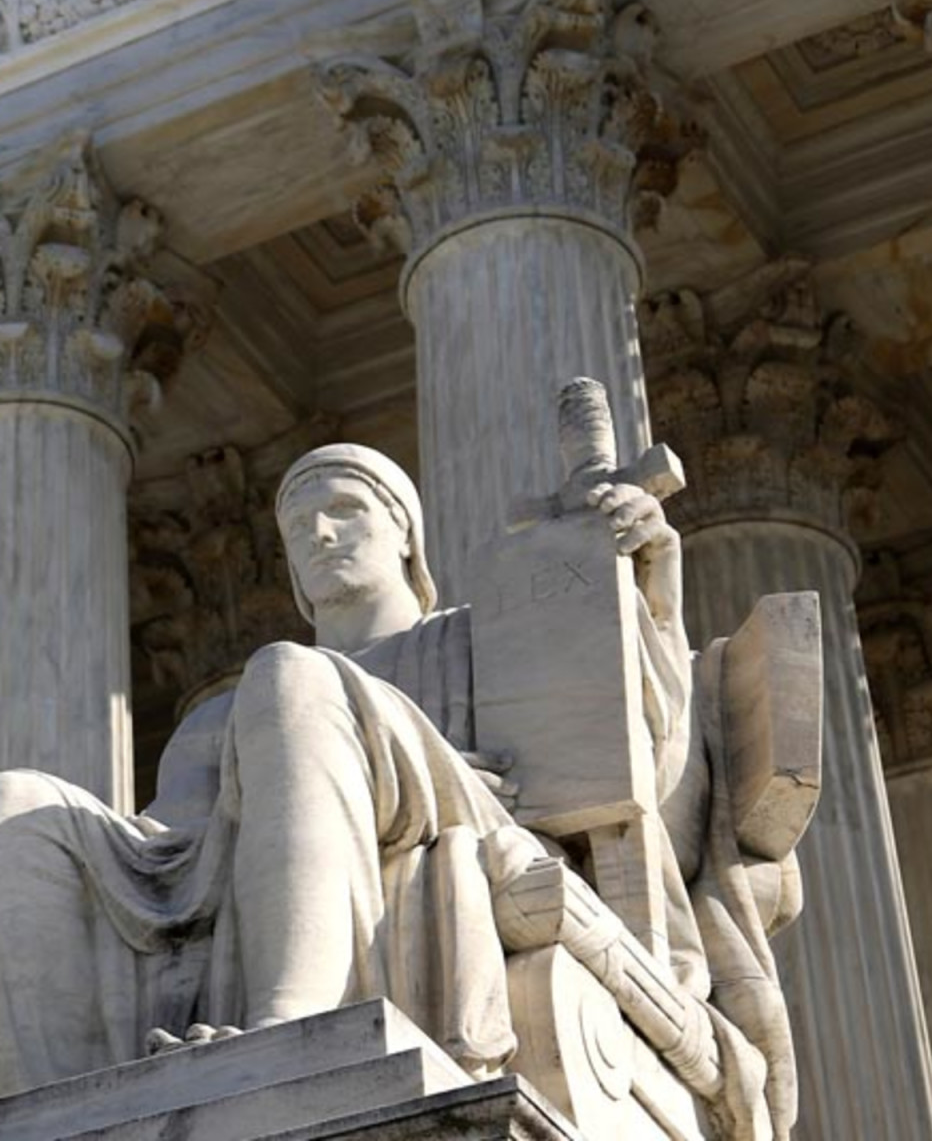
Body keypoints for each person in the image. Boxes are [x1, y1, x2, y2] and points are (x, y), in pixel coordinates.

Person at [0, 441, 802, 1135]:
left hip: (476, 820)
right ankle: (61, 1102)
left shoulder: (479, 642)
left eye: (345, 510)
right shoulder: (219, 716)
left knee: (290, 676)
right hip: (272, 835)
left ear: (406, 536)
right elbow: (171, 857)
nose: (319, 533)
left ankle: (289, 1026)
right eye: (298, 527)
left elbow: (642, 767)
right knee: (21, 802)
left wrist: (642, 592)